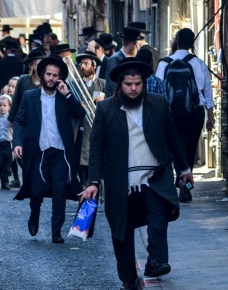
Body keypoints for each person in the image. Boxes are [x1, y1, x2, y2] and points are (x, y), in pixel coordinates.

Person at [81, 57, 191, 290]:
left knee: (158, 217)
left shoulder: (159, 104)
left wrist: (185, 170)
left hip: (155, 175)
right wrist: (93, 182)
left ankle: (156, 262)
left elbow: (173, 138)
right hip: (120, 180)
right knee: (122, 229)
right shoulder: (106, 109)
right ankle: (128, 278)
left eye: (137, 84)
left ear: (144, 84)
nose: (133, 89)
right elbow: (97, 148)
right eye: (128, 84)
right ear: (120, 85)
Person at [13, 56, 86, 243]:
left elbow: (81, 113)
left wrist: (68, 94)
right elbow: (20, 121)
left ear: (60, 78)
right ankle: (34, 214)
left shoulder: (65, 96)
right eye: (49, 74)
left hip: (61, 152)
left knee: (59, 191)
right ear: (42, 75)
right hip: (39, 152)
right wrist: (18, 143)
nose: (52, 78)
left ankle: (56, 231)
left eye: (55, 75)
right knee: (36, 190)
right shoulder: (30, 97)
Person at [155, 28, 214, 202]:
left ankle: (179, 176)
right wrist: (211, 117)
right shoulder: (199, 63)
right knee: (190, 149)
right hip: (195, 112)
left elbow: (159, 89)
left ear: (177, 40)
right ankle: (186, 186)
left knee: (175, 147)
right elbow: (207, 92)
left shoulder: (165, 63)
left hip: (171, 112)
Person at [74, 51, 106, 187]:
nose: (82, 66)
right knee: (80, 161)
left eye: (86, 64)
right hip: (80, 130)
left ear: (93, 66)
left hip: (96, 130)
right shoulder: (75, 84)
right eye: (81, 63)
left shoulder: (103, 84)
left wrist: (104, 101)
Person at [104, 27, 144, 97]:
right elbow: (114, 86)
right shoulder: (115, 59)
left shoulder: (128, 59)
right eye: (137, 45)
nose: (138, 48)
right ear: (131, 44)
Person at [8, 50, 44, 124]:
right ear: (31, 66)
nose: (41, 67)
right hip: (26, 119)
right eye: (38, 64)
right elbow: (16, 101)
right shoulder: (23, 80)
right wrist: (12, 119)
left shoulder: (47, 81)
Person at [0, 95, 13, 190]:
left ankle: (5, 182)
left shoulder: (11, 119)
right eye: (0, 105)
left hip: (8, 143)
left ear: (9, 107)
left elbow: (14, 130)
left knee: (7, 164)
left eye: (4, 105)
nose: (2, 107)